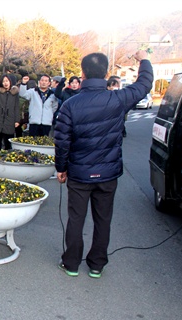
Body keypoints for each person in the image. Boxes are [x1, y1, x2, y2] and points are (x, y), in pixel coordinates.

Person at [54, 50, 153, 278]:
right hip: (108, 174)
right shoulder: (118, 99)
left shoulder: (71, 104)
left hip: (79, 173)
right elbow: (145, 83)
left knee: (76, 219)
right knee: (103, 219)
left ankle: (71, 263)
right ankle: (97, 264)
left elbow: (62, 140)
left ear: (82, 72)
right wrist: (143, 60)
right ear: (106, 72)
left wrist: (61, 168)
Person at [0, 74, 20, 150]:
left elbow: (17, 107)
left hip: (10, 118)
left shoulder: (15, 93)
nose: (5, 83)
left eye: (7, 81)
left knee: (8, 141)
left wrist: (17, 120)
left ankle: (7, 156)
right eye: (3, 81)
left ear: (10, 82)